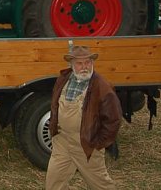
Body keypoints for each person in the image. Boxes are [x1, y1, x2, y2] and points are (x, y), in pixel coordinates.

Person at [45, 45, 121, 190]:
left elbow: (113, 120)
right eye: (80, 63)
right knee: (53, 184)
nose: (84, 67)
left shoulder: (102, 87)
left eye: (88, 62)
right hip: (62, 141)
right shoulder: (63, 79)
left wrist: (98, 143)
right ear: (72, 64)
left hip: (86, 145)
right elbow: (55, 105)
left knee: (100, 185)